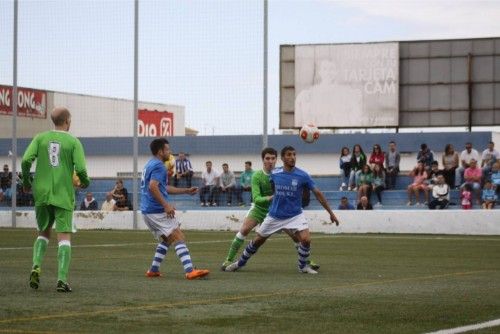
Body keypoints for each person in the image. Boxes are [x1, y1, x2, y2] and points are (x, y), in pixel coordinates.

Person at [224, 146, 339, 274]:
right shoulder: (274, 174)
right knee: (257, 241)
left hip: (295, 215)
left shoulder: (303, 175)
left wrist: (331, 213)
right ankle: (239, 262)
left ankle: (303, 266)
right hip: (274, 215)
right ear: (283, 158)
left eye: (294, 154)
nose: (292, 157)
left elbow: (318, 193)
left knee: (305, 239)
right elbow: (265, 189)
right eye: (289, 155)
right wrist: (272, 197)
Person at [21, 107, 90, 292]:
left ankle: (36, 265)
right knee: (64, 237)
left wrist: (27, 182)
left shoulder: (40, 138)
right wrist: (85, 182)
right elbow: (82, 170)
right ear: (67, 120)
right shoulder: (74, 142)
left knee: (43, 233)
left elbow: (26, 160)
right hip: (63, 194)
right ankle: (61, 279)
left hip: (41, 193)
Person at [141, 138, 209, 280]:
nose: (170, 152)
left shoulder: (149, 164)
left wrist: (186, 190)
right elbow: (152, 187)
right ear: (160, 151)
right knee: (178, 236)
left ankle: (153, 270)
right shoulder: (159, 165)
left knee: (167, 239)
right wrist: (166, 205)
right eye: (167, 149)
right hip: (156, 210)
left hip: (147, 211)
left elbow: (163, 188)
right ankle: (190, 270)